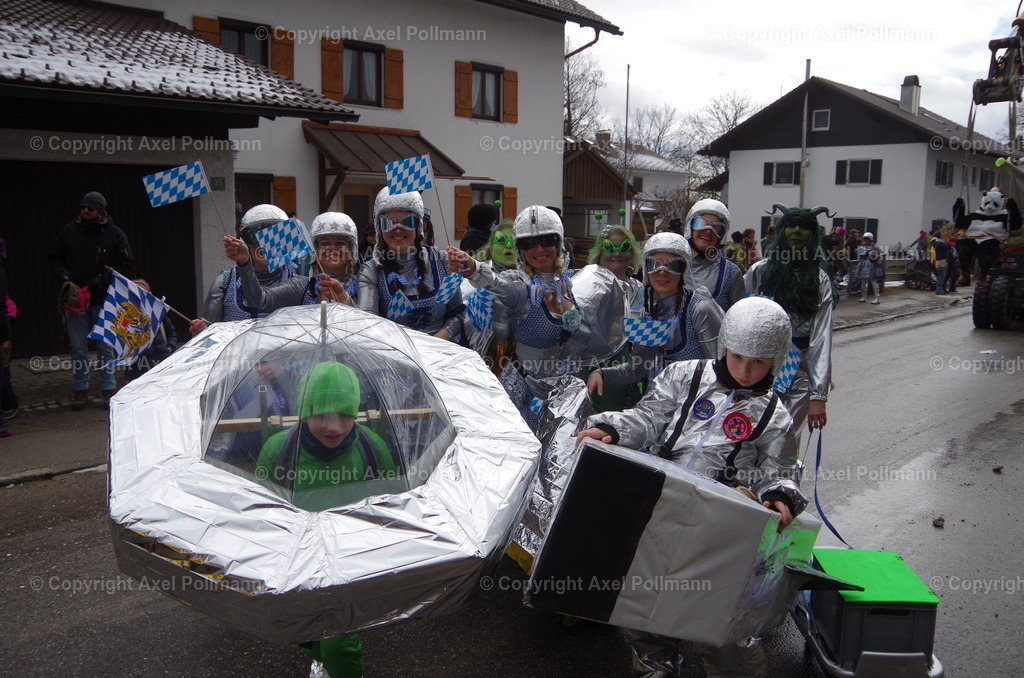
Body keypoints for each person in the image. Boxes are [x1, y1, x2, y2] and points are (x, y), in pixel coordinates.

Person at [577, 296, 806, 678]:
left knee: (722, 607)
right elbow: (648, 417)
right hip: (664, 502)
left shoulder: (774, 412)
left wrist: (780, 495)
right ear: (724, 346)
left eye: (759, 362)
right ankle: (655, 666)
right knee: (651, 592)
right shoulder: (684, 375)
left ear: (776, 359)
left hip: (725, 519)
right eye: (737, 358)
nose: (746, 371)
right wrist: (614, 427)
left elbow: (778, 469)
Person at [255, 361, 397, 678]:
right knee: (302, 628)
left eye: (345, 415)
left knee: (337, 643)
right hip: (298, 558)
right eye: (322, 416)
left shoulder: (372, 449)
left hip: (350, 559)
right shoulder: (279, 451)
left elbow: (391, 505)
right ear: (304, 412)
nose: (335, 427)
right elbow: (260, 510)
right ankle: (318, 653)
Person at [447, 205, 586, 431]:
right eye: (528, 243)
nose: (539, 249)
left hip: (558, 393)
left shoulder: (567, 285)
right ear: (520, 249)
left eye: (547, 240)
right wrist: (472, 267)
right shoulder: (522, 288)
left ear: (559, 243)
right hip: (522, 393)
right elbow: (498, 284)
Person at [587, 232, 723, 402]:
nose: (662, 272)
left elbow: (722, 368)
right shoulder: (646, 310)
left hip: (695, 409)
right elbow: (636, 369)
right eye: (654, 264)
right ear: (646, 268)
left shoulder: (699, 309)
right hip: (656, 408)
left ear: (684, 269)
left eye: (672, 265)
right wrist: (600, 374)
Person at [745, 205, 834, 435]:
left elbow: (821, 339)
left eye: (803, 227)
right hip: (758, 367)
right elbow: (741, 321)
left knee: (786, 438)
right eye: (791, 225)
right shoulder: (759, 272)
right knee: (750, 434)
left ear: (812, 235)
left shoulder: (819, 280)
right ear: (782, 230)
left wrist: (818, 395)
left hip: (800, 373)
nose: (796, 231)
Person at [48, 191, 135, 410]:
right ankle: (80, 391)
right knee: (78, 348)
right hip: (75, 298)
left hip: (104, 298)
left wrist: (103, 280)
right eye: (82, 207)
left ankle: (108, 389)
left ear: (101, 211)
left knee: (104, 346)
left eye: (90, 208)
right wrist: (64, 277)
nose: (85, 211)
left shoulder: (115, 234)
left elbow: (127, 266)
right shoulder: (68, 231)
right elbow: (54, 259)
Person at [359, 188, 464, 341]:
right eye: (388, 223)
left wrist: (439, 340)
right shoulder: (372, 270)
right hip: (395, 356)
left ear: (419, 226)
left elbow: (457, 313)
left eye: (406, 221)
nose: (397, 229)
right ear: (379, 228)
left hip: (441, 352)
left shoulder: (442, 262)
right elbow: (369, 325)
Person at [189, 205, 294, 337]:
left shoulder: (300, 283)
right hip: (236, 357)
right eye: (255, 237)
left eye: (276, 237)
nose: (265, 245)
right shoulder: (225, 283)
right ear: (244, 242)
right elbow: (208, 334)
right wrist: (201, 332)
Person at [230, 211, 358, 312]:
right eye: (325, 243)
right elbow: (259, 300)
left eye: (340, 243)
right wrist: (245, 263)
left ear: (352, 250)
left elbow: (373, 322)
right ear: (315, 250)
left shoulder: (364, 284)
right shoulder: (301, 286)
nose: (332, 248)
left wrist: (344, 299)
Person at [578, 225, 645, 411]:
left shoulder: (639, 289)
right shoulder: (587, 286)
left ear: (631, 255)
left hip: (628, 366)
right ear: (599, 253)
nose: (616, 253)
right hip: (589, 363)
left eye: (623, 248)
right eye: (609, 247)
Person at [683, 199, 745, 310]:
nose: (708, 231)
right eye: (701, 223)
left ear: (722, 235)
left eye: (716, 227)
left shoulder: (731, 273)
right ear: (690, 226)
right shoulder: (674, 264)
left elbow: (738, 318)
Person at [123, 279, 177, 382]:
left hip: (162, 365)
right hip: (138, 370)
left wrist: (169, 347)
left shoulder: (158, 313)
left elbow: (172, 333)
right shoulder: (126, 318)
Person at [856, 232, 883, 304]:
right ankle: (864, 297)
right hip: (863, 264)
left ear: (870, 239)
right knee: (863, 281)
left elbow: (878, 256)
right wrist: (858, 251)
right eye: (864, 239)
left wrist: (869, 253)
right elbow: (860, 256)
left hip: (872, 264)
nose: (865, 240)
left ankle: (877, 298)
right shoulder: (863, 246)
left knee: (873, 281)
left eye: (866, 239)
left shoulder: (875, 247)